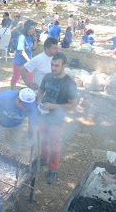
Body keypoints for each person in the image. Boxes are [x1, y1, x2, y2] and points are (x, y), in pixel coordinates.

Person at [36, 52, 77, 184]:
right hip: (43, 115)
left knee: (54, 146)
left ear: (64, 66)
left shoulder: (69, 83)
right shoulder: (48, 77)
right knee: (42, 139)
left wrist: (52, 106)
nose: (53, 68)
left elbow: (72, 105)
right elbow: (41, 92)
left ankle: (52, 170)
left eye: (56, 66)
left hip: (56, 119)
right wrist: (39, 103)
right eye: (52, 65)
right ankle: (43, 158)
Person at [10, 20, 37, 91]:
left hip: (27, 63)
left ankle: (30, 94)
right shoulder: (22, 38)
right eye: (31, 28)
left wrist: (35, 39)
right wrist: (30, 61)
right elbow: (22, 51)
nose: (33, 30)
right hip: (19, 63)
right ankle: (12, 92)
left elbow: (33, 48)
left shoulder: (31, 37)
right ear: (27, 28)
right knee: (15, 78)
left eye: (33, 28)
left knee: (30, 79)